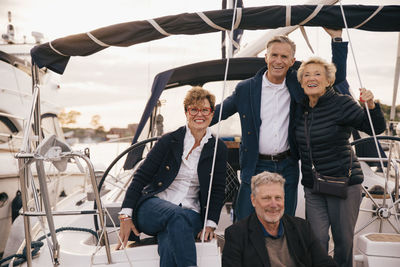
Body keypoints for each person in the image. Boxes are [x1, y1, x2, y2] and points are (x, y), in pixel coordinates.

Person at [211, 28, 348, 220]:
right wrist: (189, 124)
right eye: (274, 55)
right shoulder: (246, 88)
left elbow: (335, 78)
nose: (278, 60)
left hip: (287, 165)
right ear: (266, 57)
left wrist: (337, 39)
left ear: (292, 62)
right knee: (245, 221)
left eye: (284, 56)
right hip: (255, 165)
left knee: (285, 221)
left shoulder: (299, 86)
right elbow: (217, 113)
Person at [116, 86, 228, 267]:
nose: (199, 114)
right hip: (153, 207)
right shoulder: (169, 141)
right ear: (186, 112)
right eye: (193, 109)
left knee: (171, 237)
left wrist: (210, 223)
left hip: (191, 212)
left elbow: (217, 189)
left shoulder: (218, 148)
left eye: (205, 110)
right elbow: (141, 177)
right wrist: (126, 215)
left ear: (212, 113)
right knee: (177, 216)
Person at [294, 57, 386, 267]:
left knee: (343, 242)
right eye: (306, 75)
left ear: (328, 81)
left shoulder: (342, 103)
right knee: (317, 241)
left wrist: (371, 105)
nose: (311, 78)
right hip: (313, 184)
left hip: (343, 183)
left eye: (317, 74)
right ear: (301, 83)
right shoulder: (301, 108)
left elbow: (373, 128)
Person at [222, 171, 336, 267]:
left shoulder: (302, 228)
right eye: (266, 198)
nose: (273, 204)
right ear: (253, 200)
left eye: (278, 198)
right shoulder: (236, 235)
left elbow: (325, 264)